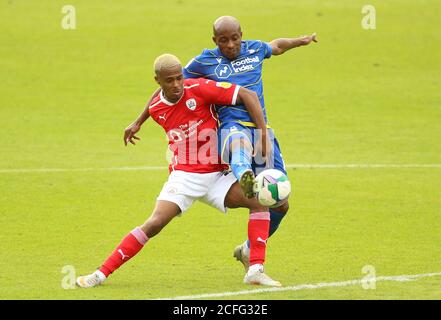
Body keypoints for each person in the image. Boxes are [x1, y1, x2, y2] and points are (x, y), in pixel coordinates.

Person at [76, 54, 282, 288]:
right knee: (154, 223)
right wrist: (137, 122)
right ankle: (100, 274)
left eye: (179, 78)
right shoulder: (156, 108)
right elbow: (155, 103)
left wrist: (263, 133)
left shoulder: (200, 88)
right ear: (158, 81)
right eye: (169, 81)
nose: (176, 85)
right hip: (185, 176)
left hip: (217, 175)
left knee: (259, 201)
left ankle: (255, 269)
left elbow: (247, 94)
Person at [182, 16, 318, 270]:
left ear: (241, 35)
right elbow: (175, 82)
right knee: (237, 143)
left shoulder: (254, 49)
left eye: (235, 38)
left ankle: (247, 249)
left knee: (280, 203)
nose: (231, 45)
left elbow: (275, 46)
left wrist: (300, 41)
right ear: (215, 41)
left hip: (261, 130)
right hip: (231, 126)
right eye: (224, 41)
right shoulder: (204, 60)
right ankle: (243, 171)